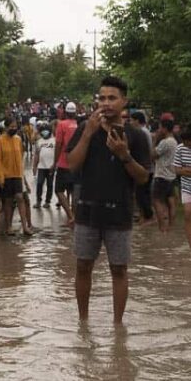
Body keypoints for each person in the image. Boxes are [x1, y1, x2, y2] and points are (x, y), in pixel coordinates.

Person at [65, 76, 151, 323]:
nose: (106, 103)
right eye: (101, 98)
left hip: (120, 213)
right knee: (82, 267)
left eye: (112, 98)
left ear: (124, 101)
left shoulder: (135, 136)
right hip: (87, 211)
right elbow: (72, 166)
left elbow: (143, 177)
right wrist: (87, 134)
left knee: (119, 270)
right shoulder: (85, 129)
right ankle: (83, 323)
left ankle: (118, 328)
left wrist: (124, 155)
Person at [0, 116, 34, 236]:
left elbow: (21, 157)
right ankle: (8, 226)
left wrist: (24, 177)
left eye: (15, 127)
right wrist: (0, 176)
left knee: (20, 198)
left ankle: (25, 226)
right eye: (11, 127)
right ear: (6, 127)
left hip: (17, 175)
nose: (14, 129)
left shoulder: (18, 139)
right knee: (8, 201)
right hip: (5, 176)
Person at [53, 101, 79, 223]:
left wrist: (55, 162)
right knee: (74, 189)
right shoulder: (80, 125)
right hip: (77, 163)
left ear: (65, 112)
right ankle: (74, 214)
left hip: (64, 163)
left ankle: (70, 215)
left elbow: (58, 144)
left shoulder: (61, 125)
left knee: (58, 190)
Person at [151, 118, 178, 231]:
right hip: (171, 176)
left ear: (165, 128)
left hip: (161, 175)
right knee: (171, 202)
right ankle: (171, 227)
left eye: (160, 127)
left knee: (157, 201)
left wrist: (154, 140)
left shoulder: (165, 142)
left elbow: (153, 154)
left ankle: (162, 228)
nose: (159, 130)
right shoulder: (174, 141)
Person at [130, 111, 155, 225]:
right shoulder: (144, 132)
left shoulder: (142, 132)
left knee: (141, 193)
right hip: (146, 166)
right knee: (142, 193)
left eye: (132, 120)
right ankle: (143, 215)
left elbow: (148, 150)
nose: (130, 122)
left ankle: (147, 216)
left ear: (136, 121)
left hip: (145, 167)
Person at [33, 122, 56, 208]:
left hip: (51, 167)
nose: (44, 132)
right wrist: (34, 166)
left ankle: (47, 201)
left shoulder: (54, 141)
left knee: (50, 185)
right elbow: (36, 154)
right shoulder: (39, 142)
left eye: (46, 131)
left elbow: (57, 154)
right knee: (39, 184)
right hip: (41, 167)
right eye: (43, 131)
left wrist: (55, 164)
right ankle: (38, 201)